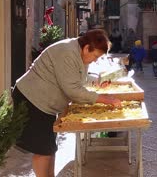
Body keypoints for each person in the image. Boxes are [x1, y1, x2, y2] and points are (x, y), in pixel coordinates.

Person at [11, 29, 121, 177]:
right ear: (87, 47)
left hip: (46, 104)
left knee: (50, 147)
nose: (94, 61)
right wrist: (105, 99)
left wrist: (96, 82)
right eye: (95, 56)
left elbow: (78, 78)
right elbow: (73, 90)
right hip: (32, 99)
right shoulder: (67, 52)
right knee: (43, 149)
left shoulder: (79, 53)